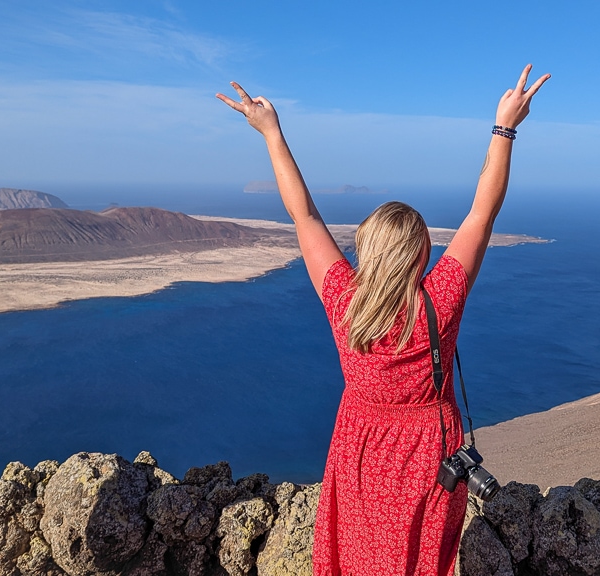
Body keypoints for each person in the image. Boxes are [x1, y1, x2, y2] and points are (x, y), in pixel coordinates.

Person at [217, 64, 549, 576]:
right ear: (420, 256)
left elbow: (303, 215)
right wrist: (505, 127)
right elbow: (483, 212)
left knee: (356, 557)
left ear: (367, 253)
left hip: (359, 447)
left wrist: (272, 133)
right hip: (429, 455)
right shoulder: (439, 300)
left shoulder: (345, 300)